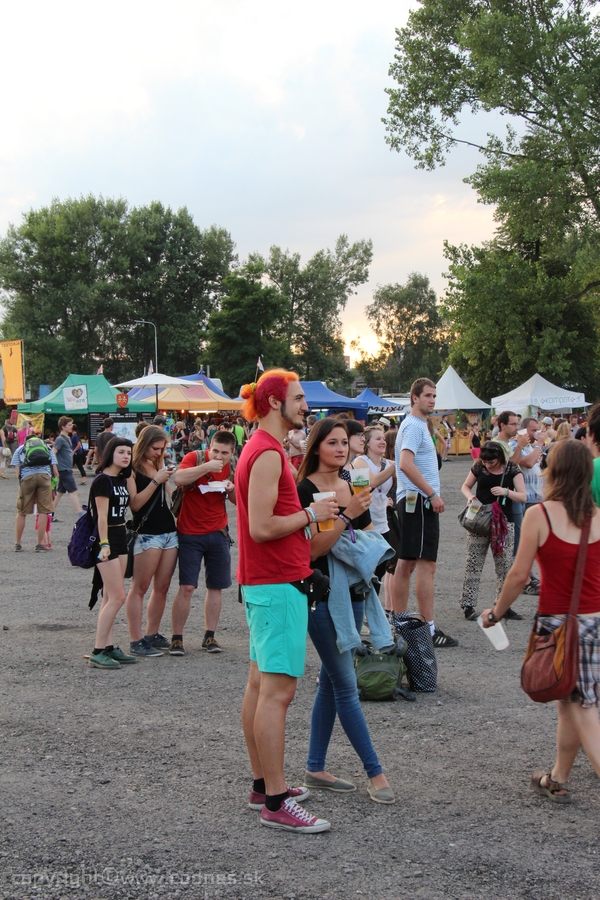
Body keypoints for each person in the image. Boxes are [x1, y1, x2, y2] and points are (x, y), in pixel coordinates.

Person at [237, 369, 336, 833]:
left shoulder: (265, 449)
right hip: (276, 585)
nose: (305, 405)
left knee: (261, 688)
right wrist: (311, 514)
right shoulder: (267, 454)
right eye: (298, 398)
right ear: (276, 403)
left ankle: (264, 785)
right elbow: (259, 528)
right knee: (277, 694)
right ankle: (275, 802)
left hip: (270, 584)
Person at [482, 440, 600, 803]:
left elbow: (518, 576)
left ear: (554, 472)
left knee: (582, 706)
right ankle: (557, 779)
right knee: (569, 701)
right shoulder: (597, 515)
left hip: (560, 623)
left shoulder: (541, 514)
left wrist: (495, 613)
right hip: (596, 621)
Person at [296, 419, 395, 804]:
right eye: (332, 442)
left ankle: (315, 768)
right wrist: (348, 514)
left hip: (354, 588)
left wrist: (360, 517)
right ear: (316, 447)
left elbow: (365, 536)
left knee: (332, 681)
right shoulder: (305, 489)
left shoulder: (353, 481)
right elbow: (314, 549)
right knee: (346, 683)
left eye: (344, 442)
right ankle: (376, 773)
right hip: (321, 593)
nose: (341, 448)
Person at [389, 378, 458, 648]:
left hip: (413, 500)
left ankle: (403, 622)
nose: (432, 400)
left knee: (409, 563)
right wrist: (431, 493)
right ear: (414, 397)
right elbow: (405, 464)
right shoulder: (414, 426)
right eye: (427, 395)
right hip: (417, 501)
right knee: (425, 564)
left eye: (434, 396)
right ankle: (425, 628)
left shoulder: (416, 425)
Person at [169, 430, 237, 656]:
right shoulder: (195, 458)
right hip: (189, 532)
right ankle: (177, 638)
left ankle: (210, 636)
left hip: (218, 532)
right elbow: (178, 479)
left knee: (216, 586)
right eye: (215, 450)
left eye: (224, 453)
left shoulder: (233, 466)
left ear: (232, 452)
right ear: (210, 446)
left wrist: (231, 489)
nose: (219, 456)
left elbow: (239, 502)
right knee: (187, 586)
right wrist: (208, 467)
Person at [125, 426, 178, 657]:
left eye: (163, 448)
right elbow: (135, 504)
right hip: (147, 533)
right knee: (140, 587)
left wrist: (171, 480)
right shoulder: (131, 469)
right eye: (155, 448)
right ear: (143, 444)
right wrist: (156, 481)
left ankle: (151, 633)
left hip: (169, 531)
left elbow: (171, 495)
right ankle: (136, 640)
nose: (159, 453)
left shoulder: (157, 464)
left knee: (163, 587)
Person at [459, 441, 526, 620]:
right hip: (479, 520)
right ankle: (468, 604)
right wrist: (470, 496)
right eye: (485, 462)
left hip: (503, 523)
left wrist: (506, 492)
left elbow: (523, 495)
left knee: (504, 566)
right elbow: (465, 486)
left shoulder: (513, 469)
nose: (488, 465)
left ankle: (503, 605)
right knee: (473, 562)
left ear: (500, 457)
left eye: (492, 462)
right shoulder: (479, 466)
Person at [87, 437, 138, 669]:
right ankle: (98, 650)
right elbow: (101, 517)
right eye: (121, 452)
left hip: (120, 536)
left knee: (110, 596)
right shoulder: (102, 481)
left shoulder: (122, 478)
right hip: (105, 539)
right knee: (118, 596)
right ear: (110, 453)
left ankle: (108, 646)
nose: (126, 456)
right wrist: (104, 543)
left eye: (128, 452)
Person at [354, 425, 399, 589]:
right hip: (366, 525)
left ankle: (374, 610)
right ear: (367, 442)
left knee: (380, 571)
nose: (383, 442)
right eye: (378, 438)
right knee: (365, 572)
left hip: (383, 523)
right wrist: (396, 465)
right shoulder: (360, 462)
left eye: (384, 439)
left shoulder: (388, 463)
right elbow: (372, 482)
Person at [12, 430, 58, 552]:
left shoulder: (20, 449)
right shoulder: (47, 447)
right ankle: (39, 544)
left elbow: (17, 470)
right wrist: (53, 484)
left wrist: (22, 482)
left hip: (27, 478)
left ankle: (18, 543)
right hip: (44, 477)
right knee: (43, 510)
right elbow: (54, 468)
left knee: (22, 511)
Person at [52, 417, 83, 518]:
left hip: (66, 468)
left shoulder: (68, 438)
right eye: (69, 425)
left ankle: (50, 513)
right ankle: (80, 514)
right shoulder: (60, 439)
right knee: (74, 491)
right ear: (63, 427)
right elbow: (53, 453)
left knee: (59, 493)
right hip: (63, 469)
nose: (71, 427)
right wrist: (55, 468)